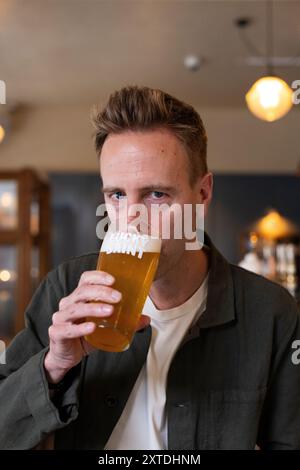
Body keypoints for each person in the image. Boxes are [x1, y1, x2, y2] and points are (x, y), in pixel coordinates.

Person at [0, 86, 299, 450]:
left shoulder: (271, 312)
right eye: (117, 196)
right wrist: (52, 366)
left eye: (156, 195)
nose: (131, 220)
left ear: (202, 194)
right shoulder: (66, 288)